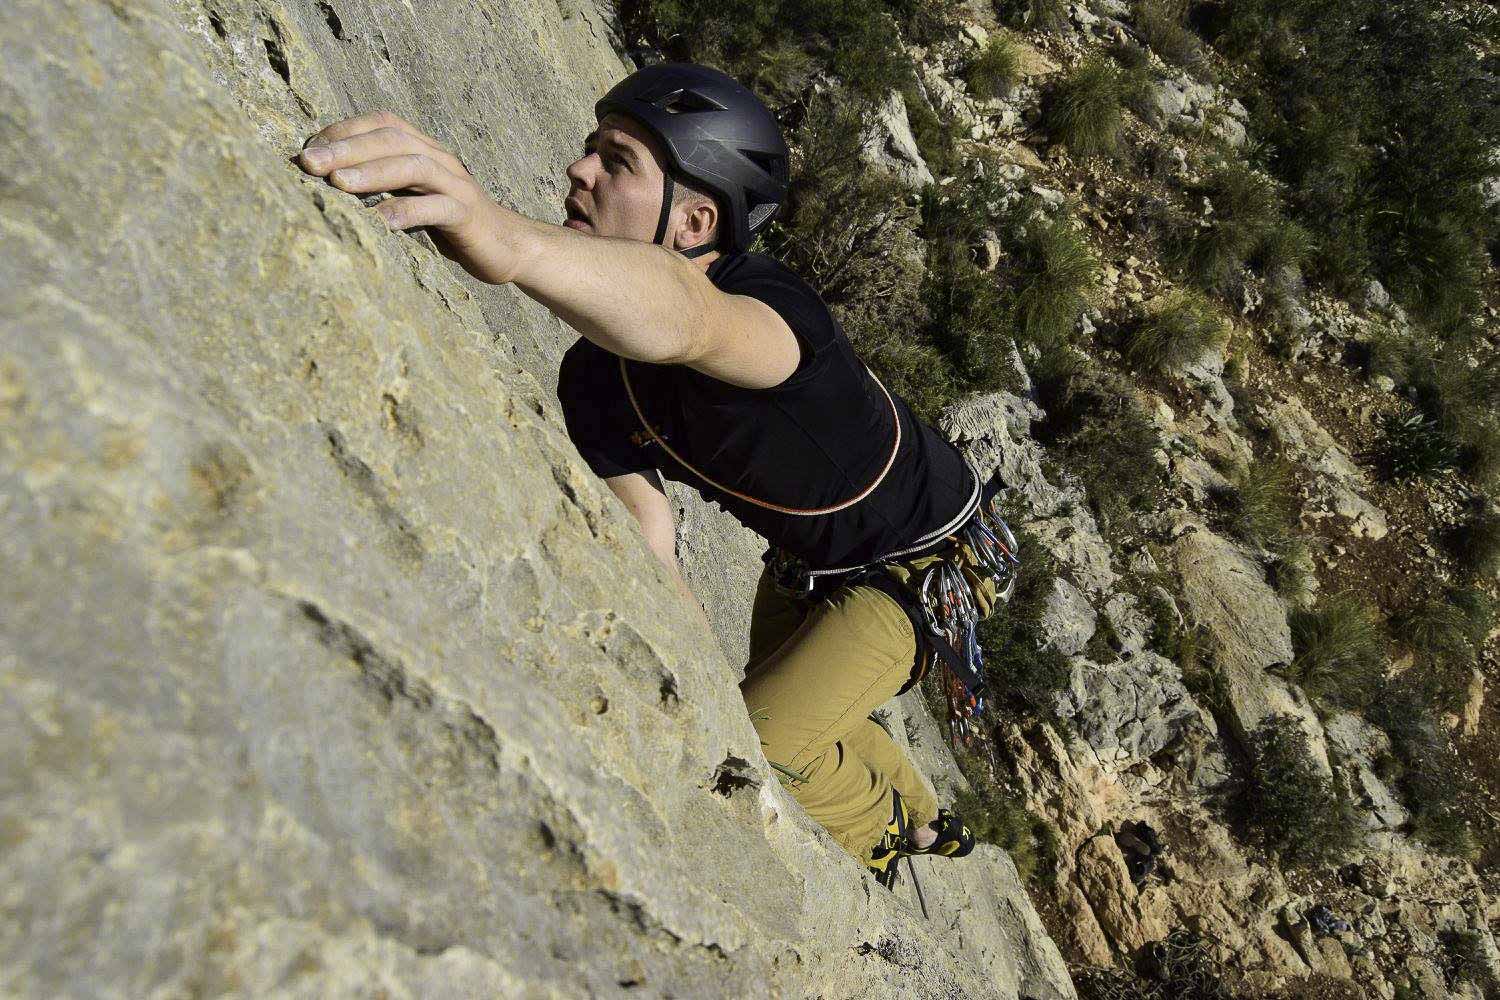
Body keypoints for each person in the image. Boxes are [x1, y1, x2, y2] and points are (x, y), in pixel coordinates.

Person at [293, 62, 1012, 887]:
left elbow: (688, 318)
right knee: (761, 706)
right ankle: (923, 803)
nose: (578, 169)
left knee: (773, 740)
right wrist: (692, 691)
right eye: (590, 148)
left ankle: (889, 829)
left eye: (617, 161)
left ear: (698, 218)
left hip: (927, 567)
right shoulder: (596, 381)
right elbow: (652, 545)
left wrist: (508, 238)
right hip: (817, 562)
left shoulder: (774, 315)